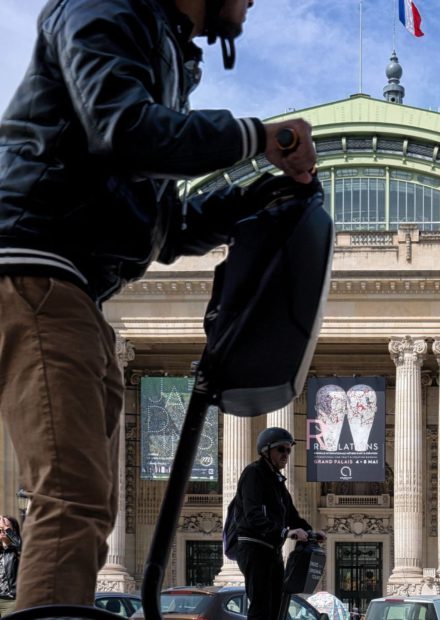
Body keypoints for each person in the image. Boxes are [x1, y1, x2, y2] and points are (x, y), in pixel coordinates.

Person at [0, 0, 319, 609]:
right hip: (31, 266)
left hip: (76, 291)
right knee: (70, 494)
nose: (253, 2)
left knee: (88, 501)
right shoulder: (106, 7)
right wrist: (257, 136)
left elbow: (164, 224)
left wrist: (266, 197)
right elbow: (123, 126)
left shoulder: (161, 51)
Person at [235, 427, 321, 620]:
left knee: (277, 606)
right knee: (261, 607)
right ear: (266, 450)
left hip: (272, 550)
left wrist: (310, 531)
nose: (286, 454)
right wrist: (284, 532)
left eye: (289, 450)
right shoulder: (253, 474)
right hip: (254, 548)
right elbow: (253, 515)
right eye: (281, 449)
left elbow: (291, 515)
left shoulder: (277, 481)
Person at [0, 516, 21, 616]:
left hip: (10, 600)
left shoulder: (17, 549)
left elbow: (23, 549)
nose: (2, 529)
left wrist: (6, 529)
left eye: (6, 527)